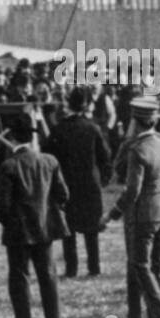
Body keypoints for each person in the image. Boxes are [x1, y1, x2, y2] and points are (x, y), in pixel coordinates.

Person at [103, 95, 160, 318]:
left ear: (135, 121)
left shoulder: (137, 149)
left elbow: (132, 190)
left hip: (144, 215)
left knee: (140, 266)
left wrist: (112, 214)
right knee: (157, 269)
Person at [0, 110, 69, 318]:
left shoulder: (9, 165)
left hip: (18, 233)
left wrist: (10, 223)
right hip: (45, 230)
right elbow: (63, 195)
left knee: (19, 282)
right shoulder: (49, 161)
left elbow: (2, 207)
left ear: (12, 138)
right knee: (49, 278)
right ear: (31, 136)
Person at [45, 86, 111, 278]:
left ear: (68, 104)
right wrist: (104, 179)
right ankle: (94, 267)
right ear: (87, 105)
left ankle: (71, 269)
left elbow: (48, 156)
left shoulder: (59, 129)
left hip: (66, 183)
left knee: (69, 230)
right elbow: (105, 157)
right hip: (90, 184)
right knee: (92, 230)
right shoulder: (93, 128)